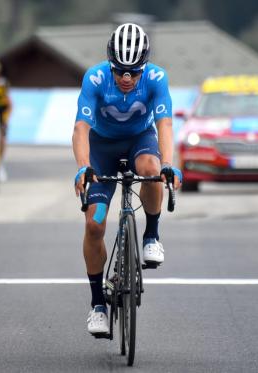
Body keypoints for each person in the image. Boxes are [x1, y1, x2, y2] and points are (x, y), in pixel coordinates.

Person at [72, 23, 182, 335]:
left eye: (133, 72)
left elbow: (165, 124)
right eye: (120, 70)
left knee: (151, 168)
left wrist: (169, 165)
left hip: (140, 141)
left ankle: (151, 235)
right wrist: (83, 167)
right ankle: (97, 306)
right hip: (101, 148)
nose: (126, 78)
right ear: (110, 63)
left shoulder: (157, 78)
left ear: (143, 67)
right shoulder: (95, 78)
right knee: (95, 224)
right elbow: (81, 128)